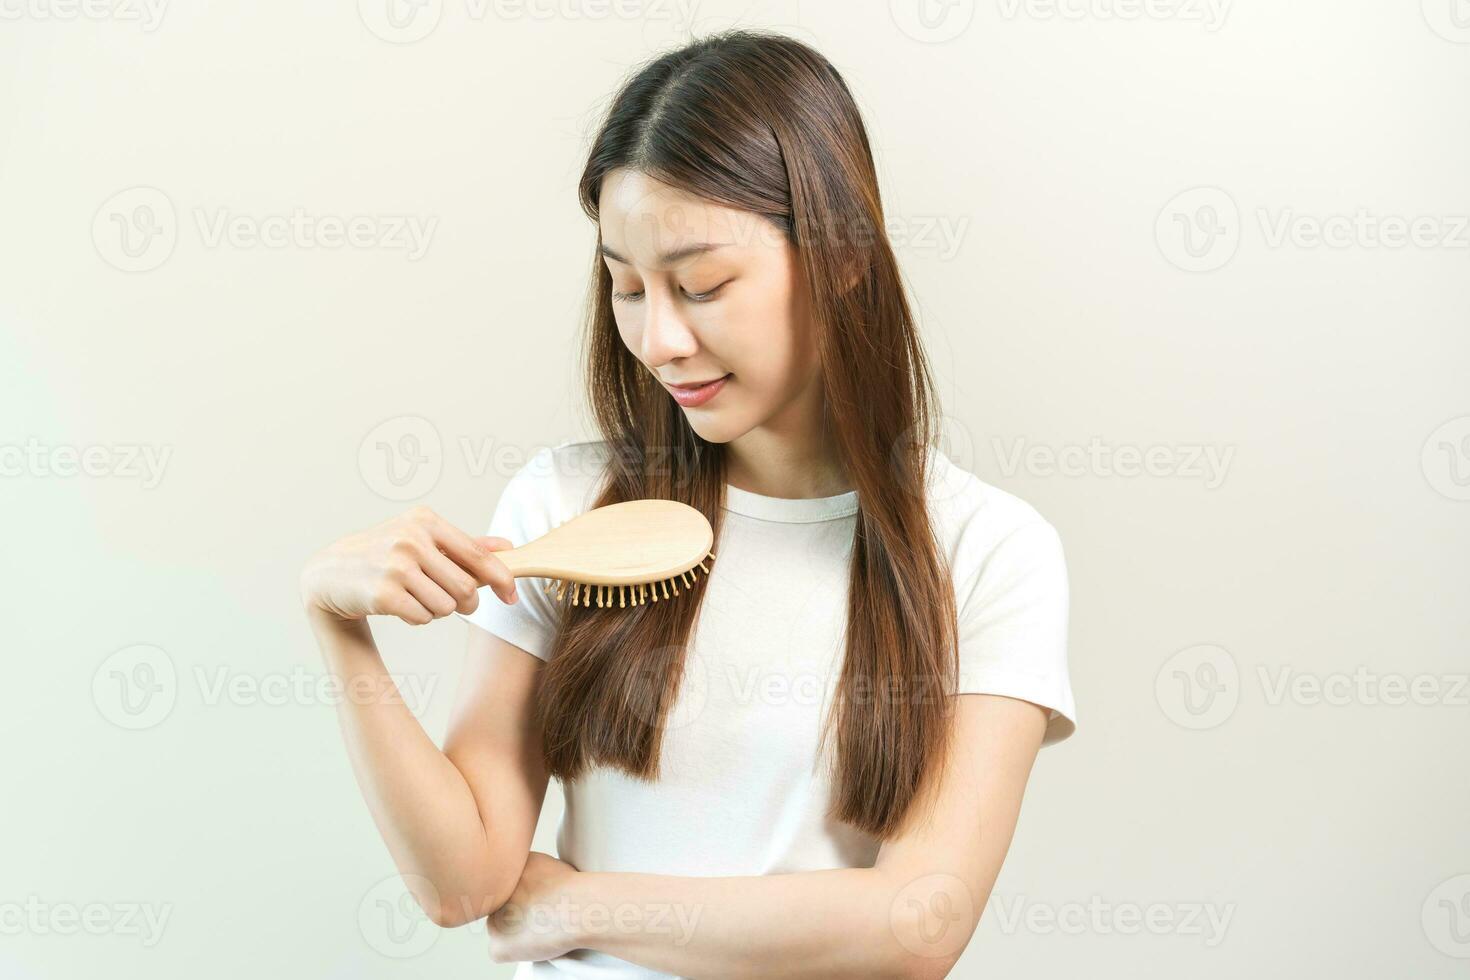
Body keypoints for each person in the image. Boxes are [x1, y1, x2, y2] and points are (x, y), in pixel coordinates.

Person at [300, 29, 1076, 978]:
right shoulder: (567, 504)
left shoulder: (989, 552)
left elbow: (916, 927)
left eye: (701, 286)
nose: (658, 339)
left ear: (840, 256)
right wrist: (338, 626)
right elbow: (464, 883)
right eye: (627, 287)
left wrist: (573, 906)